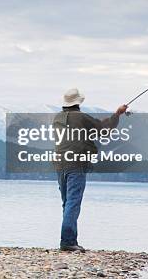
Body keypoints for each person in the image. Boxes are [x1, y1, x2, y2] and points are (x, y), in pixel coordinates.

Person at [53, 88, 127, 252]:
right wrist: (118, 114)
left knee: (67, 203)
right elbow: (104, 129)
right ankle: (67, 242)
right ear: (78, 103)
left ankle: (70, 240)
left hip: (59, 164)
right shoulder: (82, 118)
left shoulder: (57, 118)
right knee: (73, 203)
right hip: (76, 164)